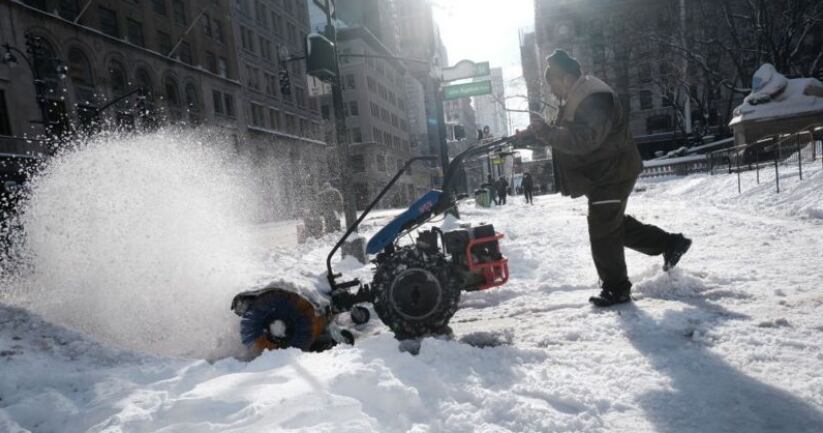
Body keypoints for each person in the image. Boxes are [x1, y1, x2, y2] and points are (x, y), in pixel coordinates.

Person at [516, 49, 692, 307]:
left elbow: (586, 138)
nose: (551, 91)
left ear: (566, 78)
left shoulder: (593, 96)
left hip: (612, 172)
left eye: (552, 83)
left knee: (602, 228)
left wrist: (548, 132)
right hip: (604, 173)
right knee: (612, 225)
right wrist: (536, 134)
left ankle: (617, 288)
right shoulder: (577, 96)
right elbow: (564, 133)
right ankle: (670, 243)